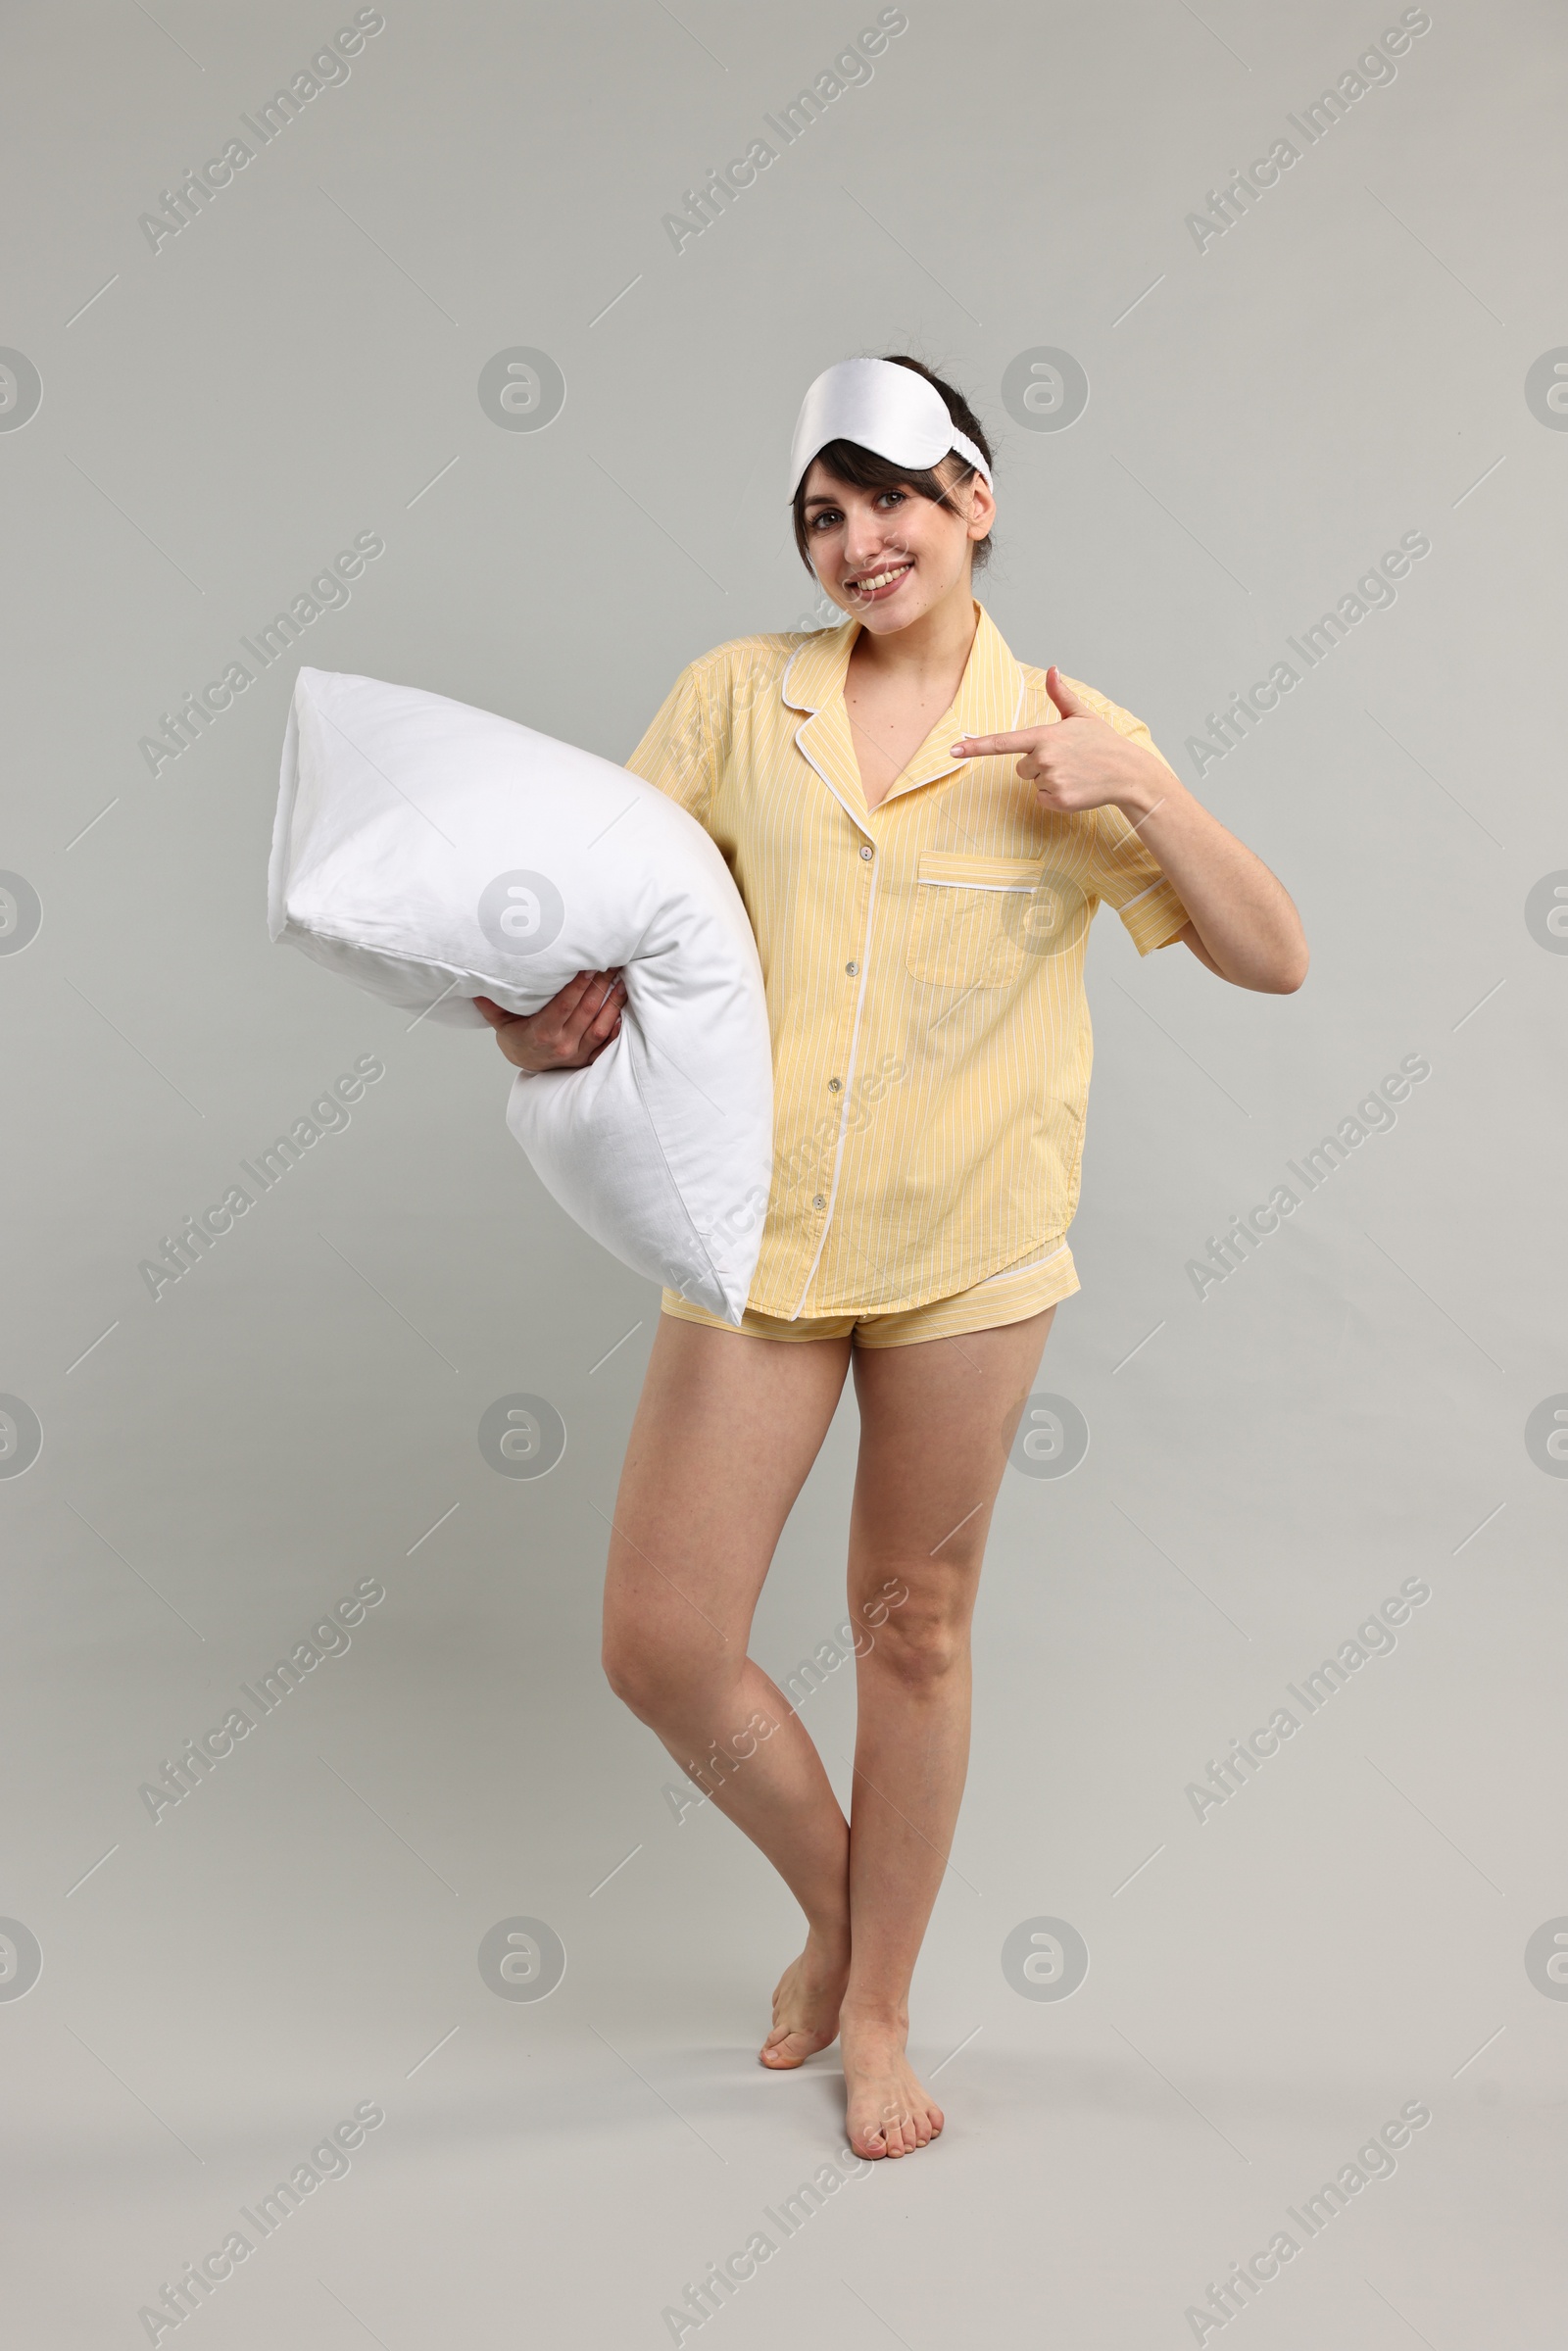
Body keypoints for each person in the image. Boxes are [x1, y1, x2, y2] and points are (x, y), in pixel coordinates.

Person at [476, 355, 1307, 2159]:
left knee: (910, 1630)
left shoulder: (1071, 733)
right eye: (825, 517)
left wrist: (1140, 788)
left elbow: (1275, 954)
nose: (863, 544)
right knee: (661, 1639)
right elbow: (587, 936)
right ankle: (847, 1912)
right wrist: (536, 1026)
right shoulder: (732, 699)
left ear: (979, 501)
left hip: (969, 1257)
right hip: (755, 1239)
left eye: (897, 500)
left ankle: (877, 2009)